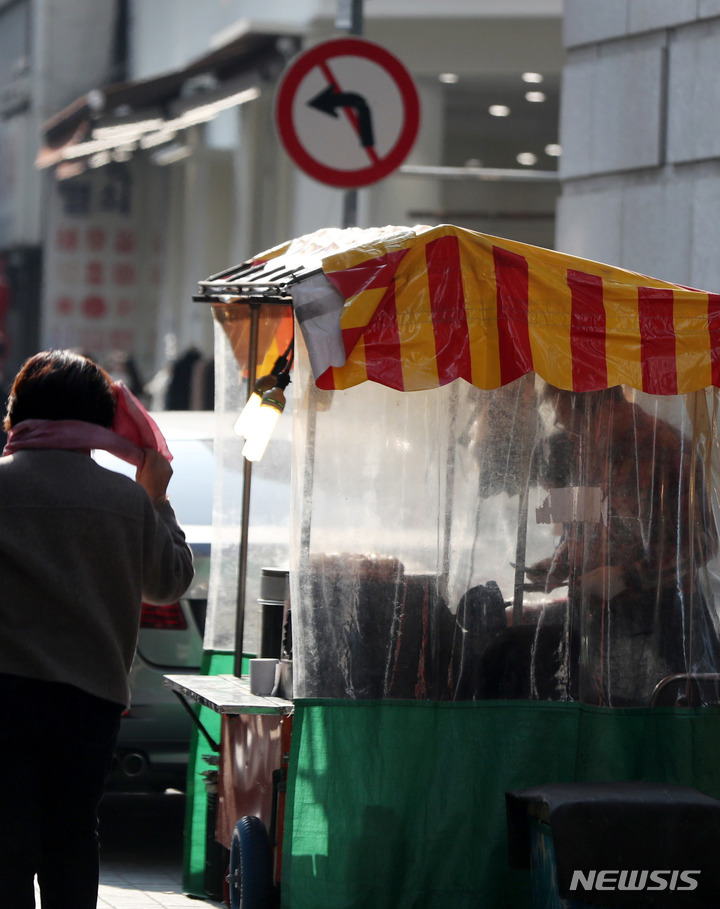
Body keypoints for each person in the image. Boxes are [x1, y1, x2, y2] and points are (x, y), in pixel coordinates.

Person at [0, 350, 194, 908]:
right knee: (72, 840)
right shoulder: (126, 501)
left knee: (6, 845)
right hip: (89, 704)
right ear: (101, 423)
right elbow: (169, 583)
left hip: (5, 694)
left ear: (17, 411)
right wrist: (156, 497)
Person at [525, 383, 720, 706]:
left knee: (649, 735)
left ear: (588, 404)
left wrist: (626, 576)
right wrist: (558, 565)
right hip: (595, 627)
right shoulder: (583, 455)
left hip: (663, 628)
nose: (566, 430)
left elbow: (701, 543)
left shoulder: (669, 448)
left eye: (568, 419)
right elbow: (579, 533)